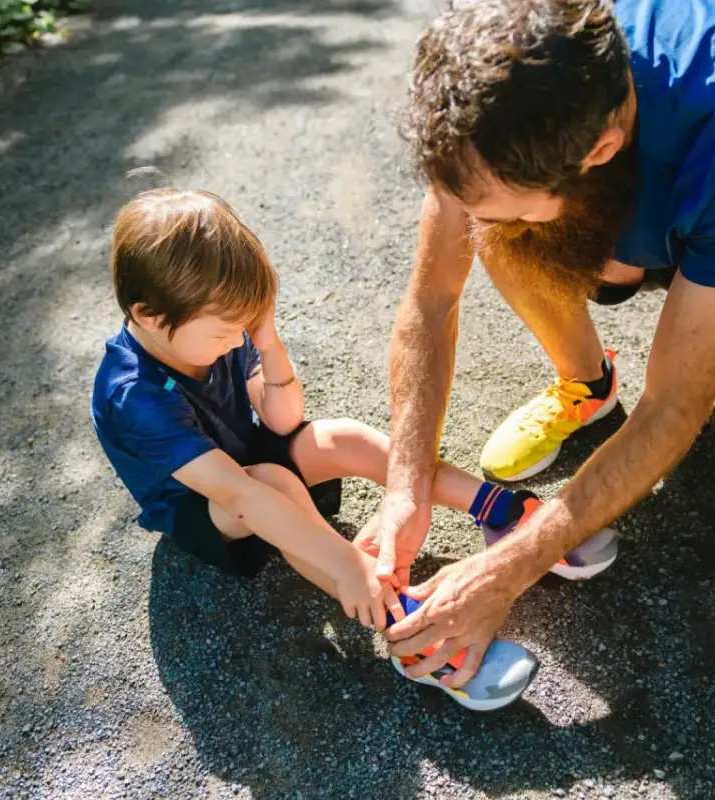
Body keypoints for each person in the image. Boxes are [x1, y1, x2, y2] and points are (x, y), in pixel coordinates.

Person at [366, 0, 715, 688]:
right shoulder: (499, 93)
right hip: (614, 202)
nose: (469, 211)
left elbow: (674, 402)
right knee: (496, 229)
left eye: (489, 197)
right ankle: (587, 384)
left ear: (600, 151)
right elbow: (432, 299)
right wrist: (407, 482)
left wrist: (508, 567)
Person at [89, 186, 617, 709]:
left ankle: (498, 510)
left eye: (243, 328)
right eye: (227, 332)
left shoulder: (216, 324)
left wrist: (267, 342)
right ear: (151, 315)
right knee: (273, 484)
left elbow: (283, 418)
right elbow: (241, 496)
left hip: (245, 455)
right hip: (201, 508)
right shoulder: (132, 395)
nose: (237, 340)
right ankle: (412, 635)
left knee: (343, 436)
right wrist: (346, 565)